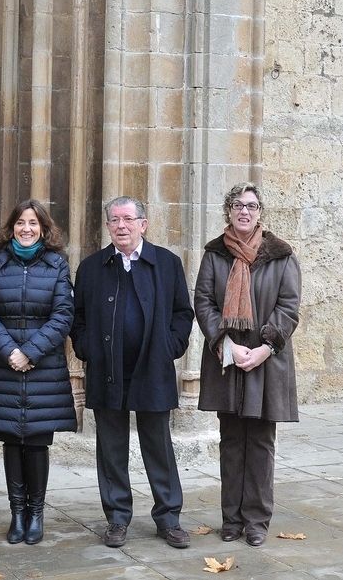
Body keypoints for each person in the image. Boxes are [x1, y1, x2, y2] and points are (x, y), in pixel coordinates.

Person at [70, 196, 194, 550]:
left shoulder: (167, 263)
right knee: (111, 448)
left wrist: (170, 346)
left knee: (158, 445)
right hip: (107, 369)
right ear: (108, 226)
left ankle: (169, 518)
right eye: (114, 220)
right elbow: (78, 318)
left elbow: (182, 313)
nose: (121, 226)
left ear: (143, 224)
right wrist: (87, 349)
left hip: (152, 368)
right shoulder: (92, 267)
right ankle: (117, 518)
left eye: (128, 219)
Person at [195, 182, 301, 547]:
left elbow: (288, 307)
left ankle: (256, 520)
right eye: (238, 205)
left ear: (260, 213)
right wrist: (227, 344)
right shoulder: (214, 254)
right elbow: (204, 302)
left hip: (266, 362)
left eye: (251, 206)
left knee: (259, 442)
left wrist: (265, 348)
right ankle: (232, 519)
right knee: (230, 441)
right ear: (228, 211)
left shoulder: (281, 255)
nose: (244, 211)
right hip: (227, 360)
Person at [0, 199, 76, 545]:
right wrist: (10, 352)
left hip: (42, 366)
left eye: (33, 223)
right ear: (12, 227)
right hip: (5, 366)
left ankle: (36, 513)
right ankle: (17, 513)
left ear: (43, 229)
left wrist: (29, 352)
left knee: (37, 440)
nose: (26, 229)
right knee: (11, 440)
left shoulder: (57, 265)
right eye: (20, 223)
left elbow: (63, 314)